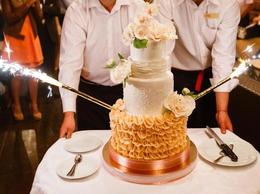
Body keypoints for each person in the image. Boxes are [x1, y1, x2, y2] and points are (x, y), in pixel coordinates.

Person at [58, 0, 142, 138]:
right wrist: (69, 113)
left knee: (131, 145)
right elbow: (70, 64)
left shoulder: (136, 6)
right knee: (93, 148)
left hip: (130, 91)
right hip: (91, 95)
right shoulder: (77, 10)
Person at [158, 0, 240, 133]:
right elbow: (163, 53)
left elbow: (223, 57)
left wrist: (222, 110)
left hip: (211, 80)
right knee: (171, 132)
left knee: (207, 133)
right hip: (174, 77)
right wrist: (161, 99)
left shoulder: (228, 4)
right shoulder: (167, 2)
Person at [1, 0, 44, 121]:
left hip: (31, 35)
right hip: (15, 37)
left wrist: (36, 6)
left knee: (33, 74)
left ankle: (34, 105)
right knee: (17, 74)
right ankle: (17, 106)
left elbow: (40, 17)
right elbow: (9, 18)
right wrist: (27, 4)